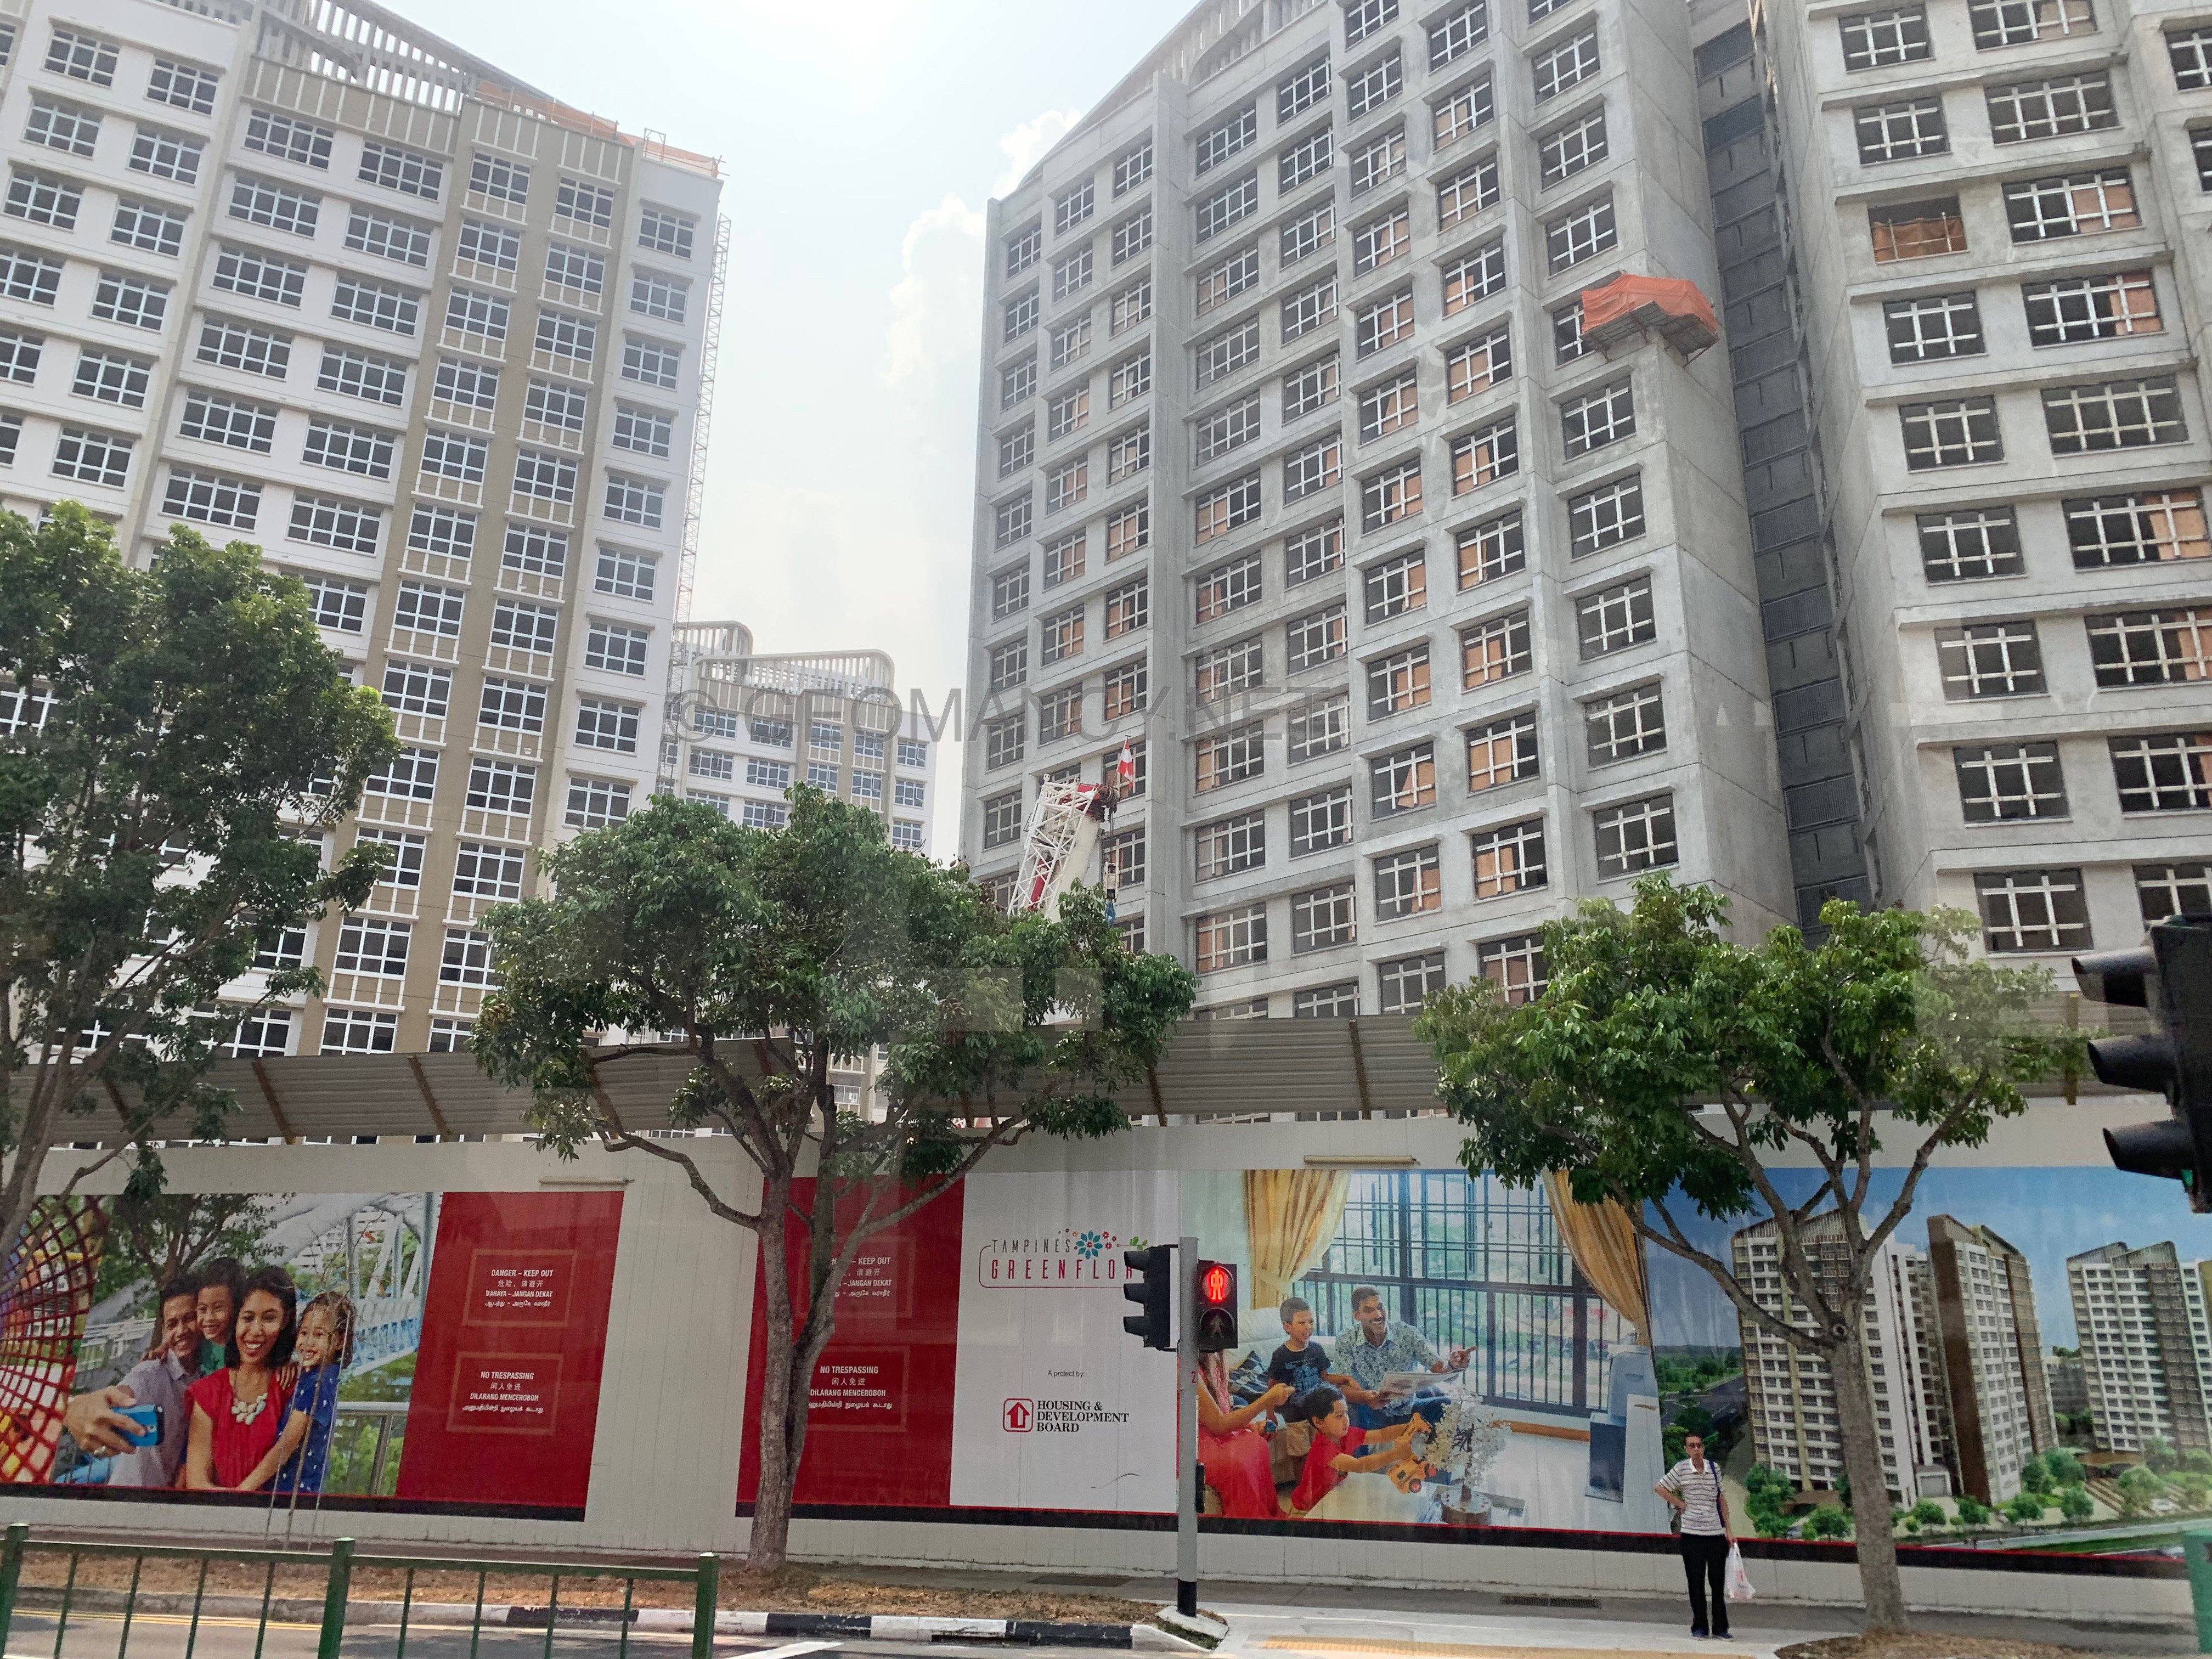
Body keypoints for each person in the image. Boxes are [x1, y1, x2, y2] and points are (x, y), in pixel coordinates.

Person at [59, 1274, 204, 1485]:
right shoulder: (151, 1372)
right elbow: (124, 1393)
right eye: (172, 1324)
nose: (181, 1331)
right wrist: (81, 1408)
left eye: (189, 1319)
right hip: (130, 1494)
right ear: (164, 1331)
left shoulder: (208, 1375)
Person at [184, 1266, 297, 1491]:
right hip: (218, 1511)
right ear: (236, 1320)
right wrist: (239, 1502)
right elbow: (196, 1483)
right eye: (248, 1318)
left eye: (269, 1319)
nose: (255, 1331)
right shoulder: (208, 1392)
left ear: (284, 1322)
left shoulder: (292, 1386)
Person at [1325, 1286, 1459, 1429]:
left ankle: (1431, 1445)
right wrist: (1364, 1397)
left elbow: (1438, 1367)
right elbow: (1342, 1388)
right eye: (1369, 1310)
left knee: (1445, 1405)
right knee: (1351, 1411)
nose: (1378, 1315)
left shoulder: (1407, 1333)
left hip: (1409, 1409)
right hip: (1370, 1412)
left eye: (1380, 1308)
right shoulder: (1346, 1340)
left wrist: (1453, 1365)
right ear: (1357, 1316)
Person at [1286, 1384, 1432, 1515]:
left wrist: (1412, 1427)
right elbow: (1360, 1465)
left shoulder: (1346, 1434)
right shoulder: (1322, 1449)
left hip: (1330, 1496)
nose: (1346, 1420)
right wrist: (1396, 1454)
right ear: (1318, 1422)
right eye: (1339, 1416)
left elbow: (1382, 1434)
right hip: (1307, 1509)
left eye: (1346, 1413)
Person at [268, 1291, 353, 1495]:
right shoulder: (317, 1376)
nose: (308, 1342)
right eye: (304, 1333)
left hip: (292, 1496)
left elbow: (285, 1448)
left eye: (319, 1335)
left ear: (339, 1341)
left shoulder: (318, 1384)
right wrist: (294, 1366)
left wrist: (245, 1489)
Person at [1656, 1431, 1733, 1639]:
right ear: (1686, 1450)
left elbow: (1722, 1499)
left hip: (1715, 1533)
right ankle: (1700, 1626)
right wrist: (1680, 1504)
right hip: (1692, 1534)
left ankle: (1721, 1627)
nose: (1697, 1449)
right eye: (1692, 1446)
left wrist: (1729, 1530)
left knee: (1717, 1583)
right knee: (1696, 1582)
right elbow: (1660, 1488)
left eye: (1699, 1445)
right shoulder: (1682, 1469)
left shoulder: (1714, 1468)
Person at [1195, 1350, 1289, 1519]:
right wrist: (1266, 1400)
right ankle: (1245, 1525)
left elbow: (1222, 1412)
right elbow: (1219, 1424)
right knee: (1237, 1463)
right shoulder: (1186, 1369)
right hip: (1191, 1443)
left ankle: (1265, 1520)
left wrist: (1250, 1426)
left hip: (1212, 1433)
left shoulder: (1216, 1356)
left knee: (1257, 1444)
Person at [1265, 1297, 1330, 1412]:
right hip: (1293, 1413)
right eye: (1302, 1323)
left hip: (1317, 1409)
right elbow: (1272, 1388)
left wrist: (1347, 1380)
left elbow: (1325, 1378)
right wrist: (1270, 1413)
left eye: (1311, 1322)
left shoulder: (1317, 1349)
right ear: (1287, 1327)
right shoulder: (1280, 1355)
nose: (1308, 1327)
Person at [193, 1258, 248, 1380]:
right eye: (202, 1309)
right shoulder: (199, 1343)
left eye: (218, 1308)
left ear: (236, 1307)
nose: (208, 1318)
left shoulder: (247, 1348)